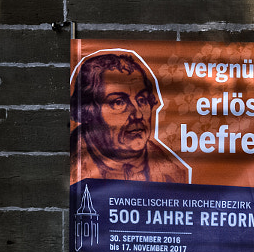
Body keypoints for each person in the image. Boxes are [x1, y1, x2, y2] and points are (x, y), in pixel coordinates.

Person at [70, 50, 191, 183]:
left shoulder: (174, 175)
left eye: (142, 100)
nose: (138, 114)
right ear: (88, 111)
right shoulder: (69, 168)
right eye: (119, 102)